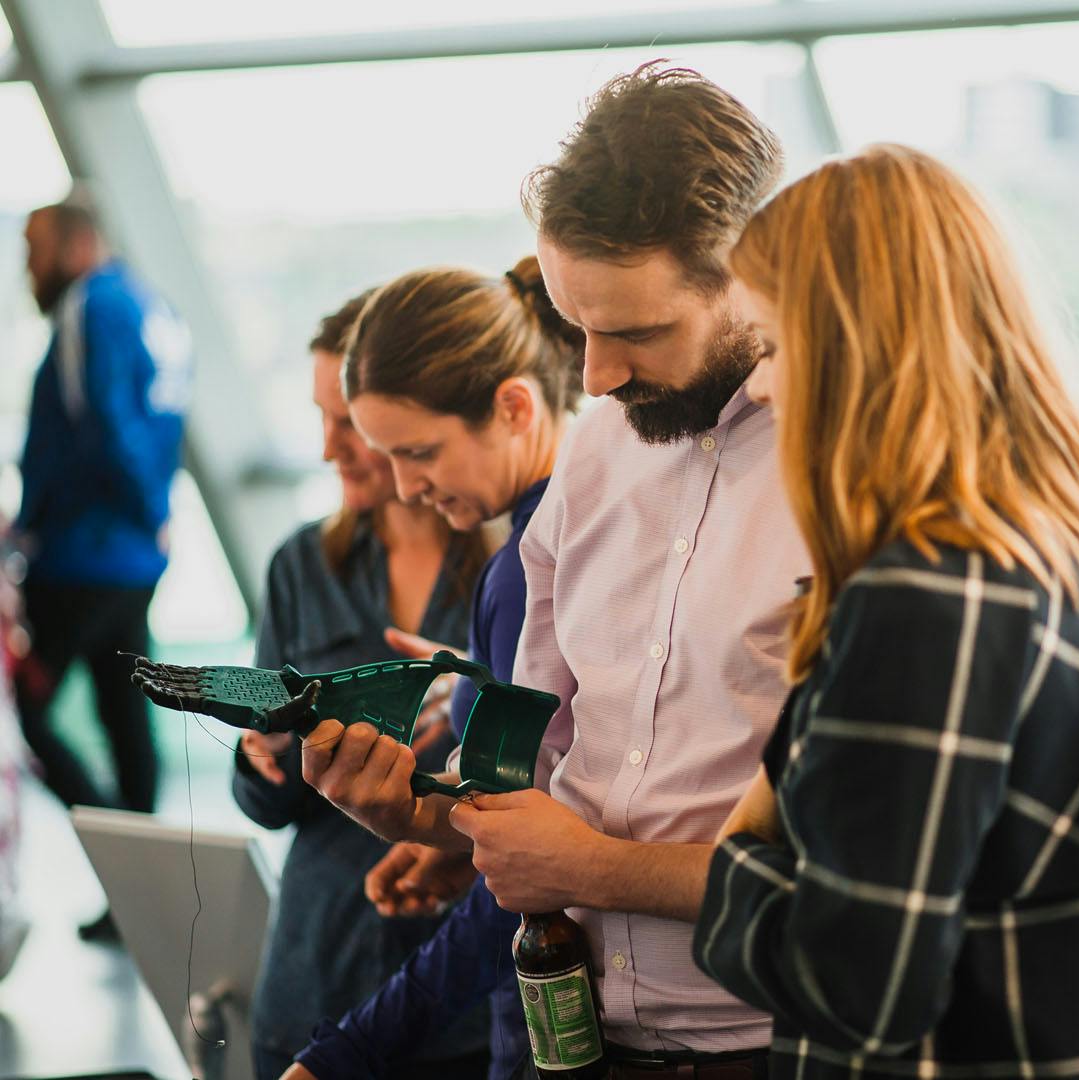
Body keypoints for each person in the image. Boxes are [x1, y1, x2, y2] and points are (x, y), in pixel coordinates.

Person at [292, 63, 808, 1078]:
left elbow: (868, 857)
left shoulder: (848, 477)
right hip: (569, 1038)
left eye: (634, 332)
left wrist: (595, 866)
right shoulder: (600, 454)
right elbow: (533, 759)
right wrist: (420, 812)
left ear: (755, 275)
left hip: (777, 1045)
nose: (599, 377)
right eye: (579, 328)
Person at [687, 144, 1079, 1077]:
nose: (761, 386)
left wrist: (732, 874)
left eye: (772, 344)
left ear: (857, 348)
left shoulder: (924, 599)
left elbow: (860, 987)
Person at [286, 257, 586, 1080]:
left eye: (419, 453)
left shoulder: (530, 569)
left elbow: (534, 868)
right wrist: (450, 842)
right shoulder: (545, 549)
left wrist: (348, 1052)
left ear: (515, 406)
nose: (408, 487)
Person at [231, 292, 495, 1080]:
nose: (328, 449)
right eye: (320, 419)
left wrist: (477, 698)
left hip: (463, 1001)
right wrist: (263, 756)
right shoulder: (300, 567)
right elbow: (264, 807)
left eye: (347, 423)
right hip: (313, 976)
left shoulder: (515, 572)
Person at [12, 197, 189, 939]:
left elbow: (104, 425)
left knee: (25, 718)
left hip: (85, 555)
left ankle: (128, 866)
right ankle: (140, 886)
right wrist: (155, 516)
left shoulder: (92, 308)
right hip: (129, 555)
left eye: (34, 249)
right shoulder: (153, 306)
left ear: (76, 246)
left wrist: (140, 510)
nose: (27, 268)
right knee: (124, 713)